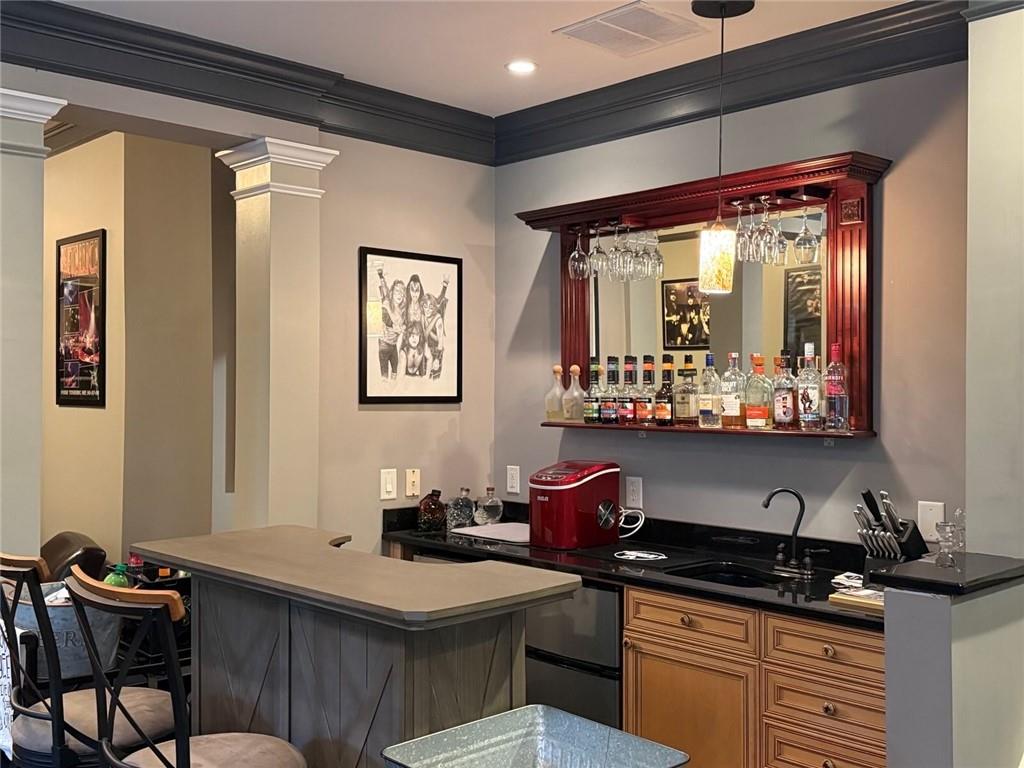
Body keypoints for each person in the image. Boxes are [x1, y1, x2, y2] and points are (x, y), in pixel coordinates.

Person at [376, 269, 405, 381]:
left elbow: (402, 325)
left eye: (402, 292)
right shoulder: (387, 304)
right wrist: (381, 276)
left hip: (393, 346)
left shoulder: (401, 310)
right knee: (384, 375)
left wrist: (402, 327)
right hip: (384, 344)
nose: (400, 294)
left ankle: (391, 392)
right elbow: (384, 317)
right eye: (397, 291)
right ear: (392, 292)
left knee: (394, 372)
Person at [424, 276, 450, 379]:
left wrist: (437, 359)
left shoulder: (438, 320)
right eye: (425, 307)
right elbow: (438, 299)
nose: (427, 310)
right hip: (427, 351)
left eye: (430, 308)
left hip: (436, 352)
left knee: (434, 379)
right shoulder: (423, 317)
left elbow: (441, 342)